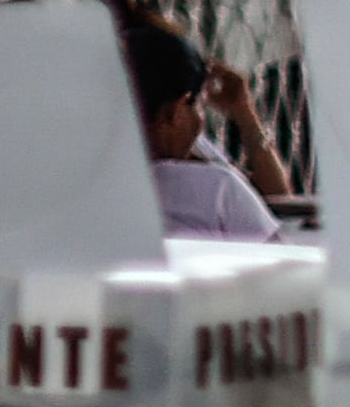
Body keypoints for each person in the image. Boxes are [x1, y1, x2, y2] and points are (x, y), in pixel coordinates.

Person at [119, 16, 290, 242]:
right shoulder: (215, 189)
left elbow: (276, 198)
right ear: (176, 112)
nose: (200, 123)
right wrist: (245, 114)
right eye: (198, 106)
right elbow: (281, 262)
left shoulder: (83, 187)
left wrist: (244, 113)